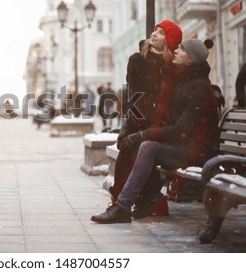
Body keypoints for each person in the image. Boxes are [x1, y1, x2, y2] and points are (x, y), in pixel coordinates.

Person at [91, 39, 220, 224]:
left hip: (197, 152)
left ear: (190, 60)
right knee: (140, 145)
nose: (176, 50)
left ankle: (123, 206)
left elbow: (181, 129)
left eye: (181, 49)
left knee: (148, 147)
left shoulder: (199, 88)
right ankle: (139, 202)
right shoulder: (185, 80)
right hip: (185, 146)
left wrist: (144, 134)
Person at [110, 20, 183, 218]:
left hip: (162, 125)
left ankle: (138, 202)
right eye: (155, 30)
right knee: (129, 147)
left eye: (161, 33)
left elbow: (169, 101)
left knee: (138, 147)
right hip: (140, 120)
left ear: (168, 42)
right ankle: (144, 201)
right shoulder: (137, 60)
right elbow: (136, 95)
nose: (155, 34)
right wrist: (134, 127)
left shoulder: (172, 67)